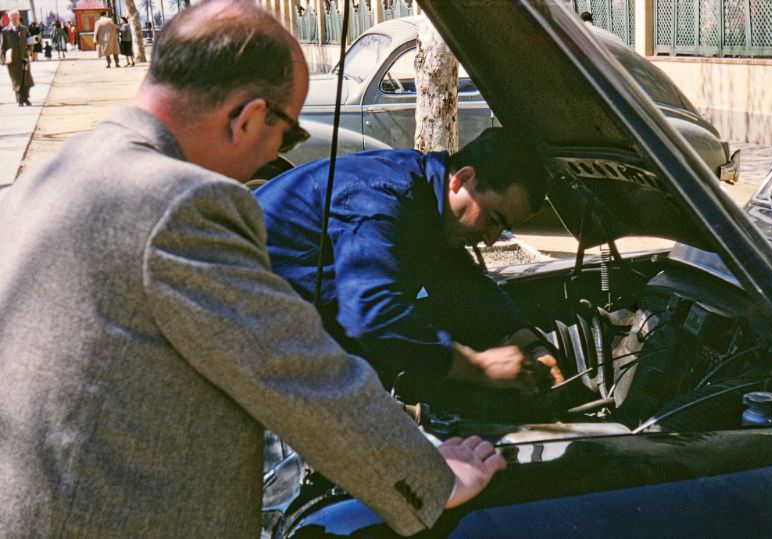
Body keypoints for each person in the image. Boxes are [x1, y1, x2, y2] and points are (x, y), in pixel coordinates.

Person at [0, 1, 504, 537]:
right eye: (287, 136)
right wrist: (433, 478)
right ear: (247, 117)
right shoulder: (181, 204)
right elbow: (295, 372)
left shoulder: (53, 174)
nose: (274, 158)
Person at [254, 128, 563, 419]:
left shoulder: (427, 196)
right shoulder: (382, 199)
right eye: (494, 219)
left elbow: (460, 281)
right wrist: (476, 367)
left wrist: (528, 341)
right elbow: (372, 314)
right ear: (463, 179)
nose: (492, 239)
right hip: (248, 337)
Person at [0, 10, 34, 106]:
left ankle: (26, 98)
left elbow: (30, 41)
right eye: (13, 18)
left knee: (26, 78)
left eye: (16, 18)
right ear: (10, 19)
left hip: (24, 57)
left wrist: (30, 50)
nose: (15, 20)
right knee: (16, 79)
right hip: (12, 59)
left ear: (19, 17)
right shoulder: (5, 31)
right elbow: (2, 46)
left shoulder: (24, 29)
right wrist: (3, 59)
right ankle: (20, 100)